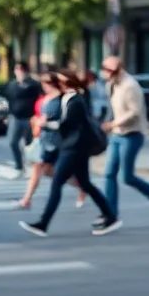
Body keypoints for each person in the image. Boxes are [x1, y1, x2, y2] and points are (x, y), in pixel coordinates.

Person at [20, 70, 119, 237]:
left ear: (68, 84)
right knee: (85, 183)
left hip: (75, 147)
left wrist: (46, 124)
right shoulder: (67, 98)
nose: (58, 84)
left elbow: (67, 124)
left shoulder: (76, 100)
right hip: (73, 146)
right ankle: (110, 216)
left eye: (61, 82)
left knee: (57, 182)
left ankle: (43, 223)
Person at [101, 56, 149, 220]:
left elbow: (134, 112)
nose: (105, 74)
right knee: (109, 173)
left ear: (118, 70)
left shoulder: (131, 86)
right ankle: (111, 213)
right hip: (117, 135)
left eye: (108, 71)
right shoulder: (111, 85)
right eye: (104, 69)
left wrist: (114, 123)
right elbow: (111, 107)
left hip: (132, 135)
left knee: (127, 177)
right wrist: (107, 123)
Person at [15, 72, 87, 211]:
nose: (44, 86)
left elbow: (64, 120)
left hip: (54, 140)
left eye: (47, 83)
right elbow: (40, 114)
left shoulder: (61, 99)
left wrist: (46, 122)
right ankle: (82, 186)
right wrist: (37, 122)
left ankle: (27, 199)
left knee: (41, 169)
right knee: (48, 171)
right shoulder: (45, 98)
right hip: (42, 137)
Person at [2, 61, 42, 173]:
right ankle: (19, 165)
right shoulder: (12, 85)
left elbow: (39, 100)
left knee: (28, 144)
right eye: (17, 69)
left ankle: (30, 165)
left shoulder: (34, 84)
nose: (19, 72)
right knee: (12, 142)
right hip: (15, 117)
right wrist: (7, 115)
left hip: (29, 117)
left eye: (21, 69)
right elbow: (8, 101)